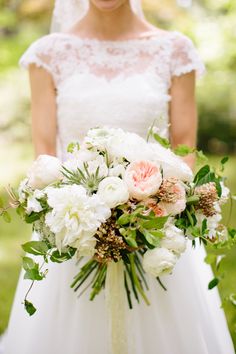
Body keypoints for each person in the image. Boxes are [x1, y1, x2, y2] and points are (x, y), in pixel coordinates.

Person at [4, 0, 235, 353]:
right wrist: (90, 220)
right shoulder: (48, 54)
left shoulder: (174, 50)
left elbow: (184, 148)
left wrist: (151, 209)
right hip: (76, 228)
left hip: (158, 226)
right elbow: (45, 155)